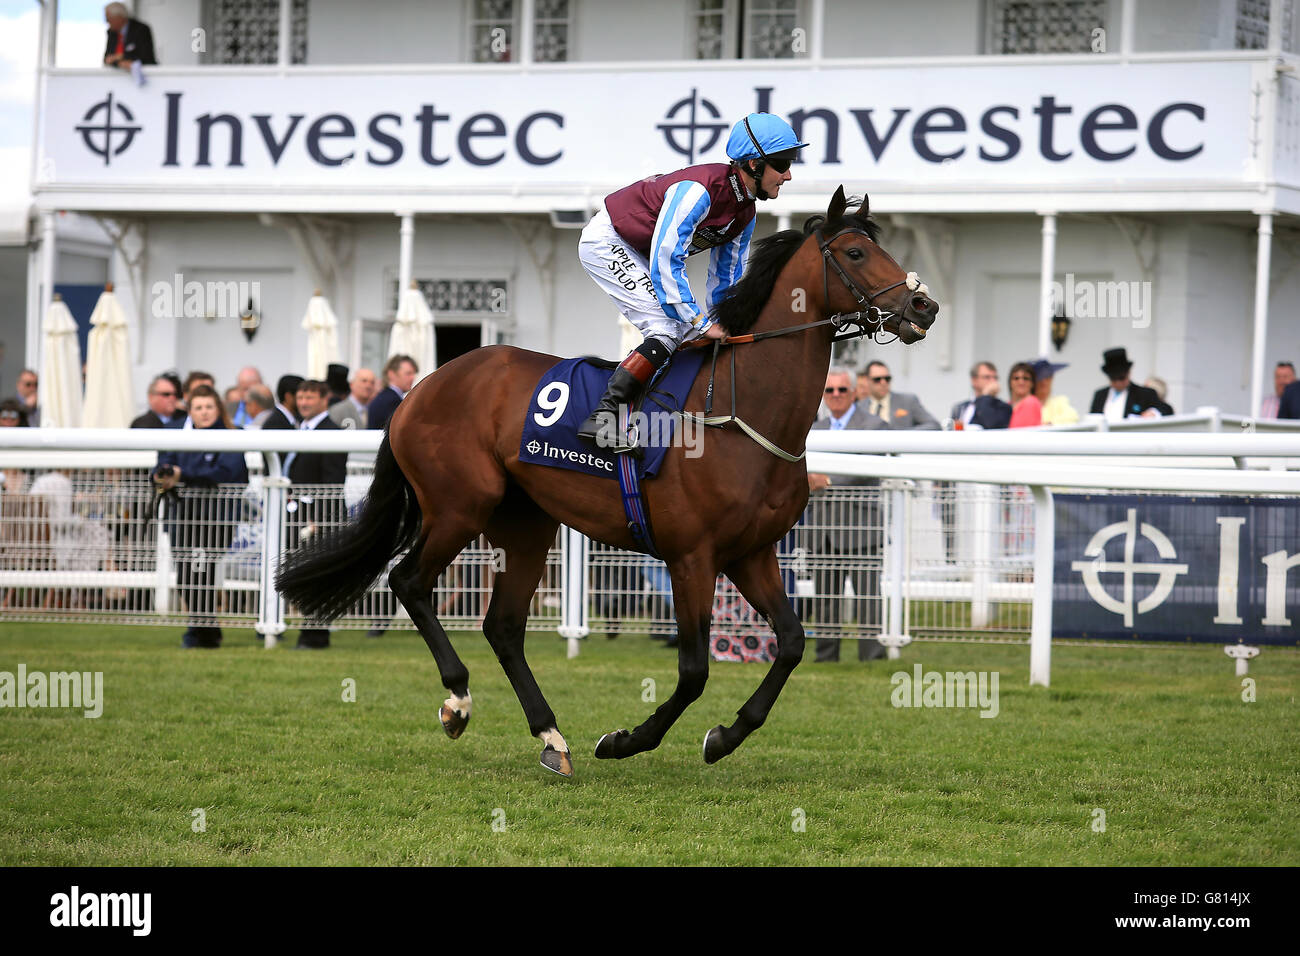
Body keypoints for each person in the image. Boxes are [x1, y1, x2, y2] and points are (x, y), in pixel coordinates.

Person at [575, 112, 809, 450]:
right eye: (783, 163)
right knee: (669, 328)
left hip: (641, 251)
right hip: (608, 242)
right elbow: (665, 259)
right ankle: (604, 416)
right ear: (754, 164)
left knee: (689, 334)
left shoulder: (745, 213)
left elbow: (725, 282)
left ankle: (659, 417)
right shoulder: (697, 191)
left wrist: (727, 323)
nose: (788, 174)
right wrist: (699, 322)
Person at [151, 385, 248, 648]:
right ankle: (206, 629)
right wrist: (162, 475)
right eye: (198, 407)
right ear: (189, 410)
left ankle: (199, 630)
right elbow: (161, 465)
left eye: (209, 407)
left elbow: (226, 472)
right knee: (185, 575)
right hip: (181, 513)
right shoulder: (174, 432)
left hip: (217, 516)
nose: (204, 413)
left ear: (218, 408)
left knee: (202, 573)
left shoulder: (233, 434)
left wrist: (183, 474)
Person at [803, 367, 886, 662]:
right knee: (825, 599)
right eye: (829, 390)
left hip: (860, 526)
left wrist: (826, 480)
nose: (835, 395)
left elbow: (867, 466)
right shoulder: (813, 429)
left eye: (841, 389)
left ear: (853, 392)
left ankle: (872, 656)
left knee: (867, 599)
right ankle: (826, 657)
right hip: (823, 527)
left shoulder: (875, 425)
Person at [285, 380, 347, 649]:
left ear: (325, 399)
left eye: (310, 397)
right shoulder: (300, 428)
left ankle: (315, 635)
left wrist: (319, 518)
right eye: (300, 397)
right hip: (299, 513)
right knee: (303, 573)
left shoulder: (331, 431)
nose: (304, 402)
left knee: (317, 575)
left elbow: (334, 481)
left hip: (320, 516)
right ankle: (309, 633)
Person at [858, 361, 940, 429]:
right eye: (877, 379)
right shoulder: (859, 407)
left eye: (887, 379)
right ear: (867, 381)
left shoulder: (908, 401)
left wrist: (902, 437)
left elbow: (933, 425)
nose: (883, 383)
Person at [1089, 348, 1163, 421]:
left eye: (1121, 378)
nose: (1118, 383)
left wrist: (1154, 413)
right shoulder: (1100, 395)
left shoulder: (1144, 394)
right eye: (1113, 379)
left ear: (1129, 373)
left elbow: (1166, 410)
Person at [368, 355, 417, 431]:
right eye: (408, 373)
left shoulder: (384, 397)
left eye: (413, 373)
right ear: (391, 374)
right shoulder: (392, 401)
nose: (412, 377)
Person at [103, 3, 156, 70]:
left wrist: (120, 57)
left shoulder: (141, 29)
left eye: (108, 19)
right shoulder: (111, 32)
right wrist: (119, 61)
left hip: (144, 73)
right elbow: (107, 58)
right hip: (118, 75)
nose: (107, 22)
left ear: (119, 17)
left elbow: (146, 56)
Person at [950, 361, 1003, 428]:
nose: (993, 381)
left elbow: (991, 424)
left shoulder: (1002, 407)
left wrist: (985, 396)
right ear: (974, 380)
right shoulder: (960, 407)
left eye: (995, 378)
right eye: (987, 377)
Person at [1031, 359, 1078, 425]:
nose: (1044, 382)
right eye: (1040, 378)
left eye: (1047, 377)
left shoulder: (1059, 401)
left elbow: (1073, 416)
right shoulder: (1027, 403)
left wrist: (1049, 423)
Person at [1007, 362, 1042, 427]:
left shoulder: (1031, 402)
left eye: (1025, 378)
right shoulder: (1007, 405)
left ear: (1032, 383)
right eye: (1016, 378)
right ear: (1010, 382)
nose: (1021, 382)